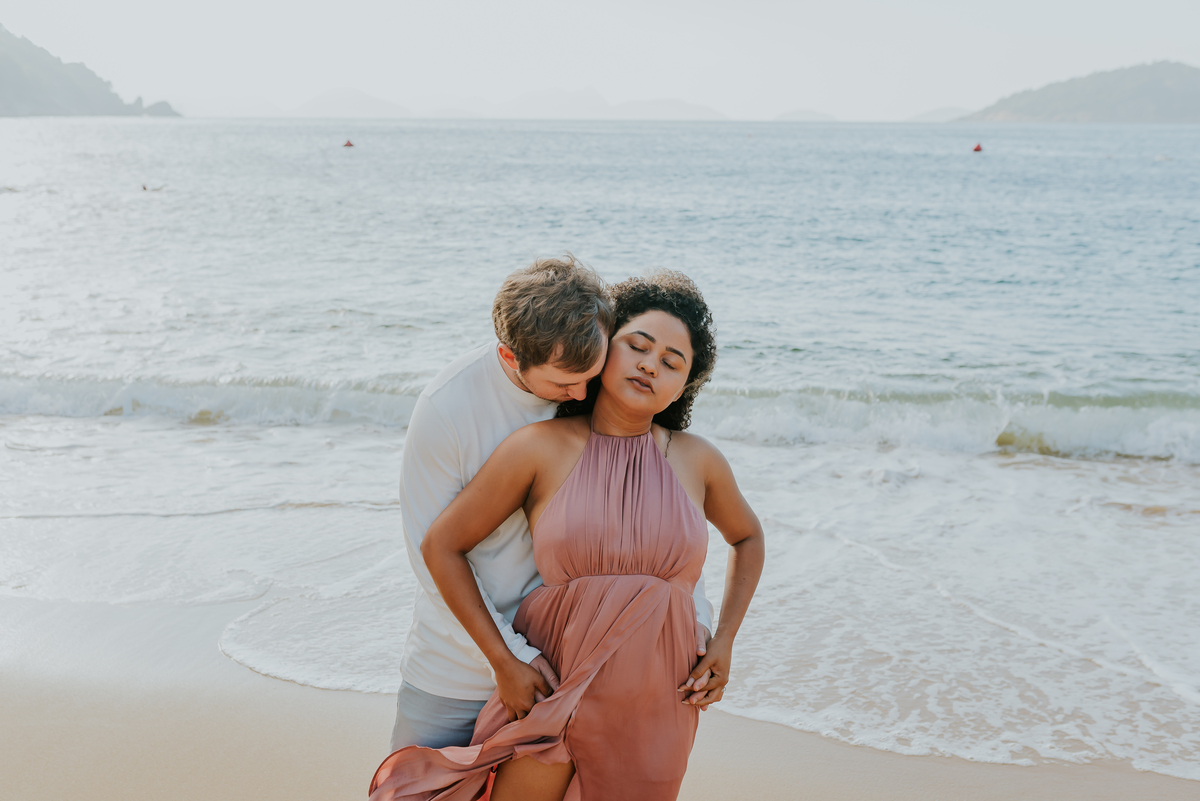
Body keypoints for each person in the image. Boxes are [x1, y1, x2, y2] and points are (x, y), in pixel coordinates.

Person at [371, 271, 765, 801]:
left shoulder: (700, 461)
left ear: (685, 385)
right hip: (556, 683)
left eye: (673, 362)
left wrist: (724, 642)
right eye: (639, 346)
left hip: (660, 697)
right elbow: (440, 544)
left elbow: (747, 539)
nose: (651, 364)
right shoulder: (537, 446)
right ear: (607, 352)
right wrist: (505, 661)